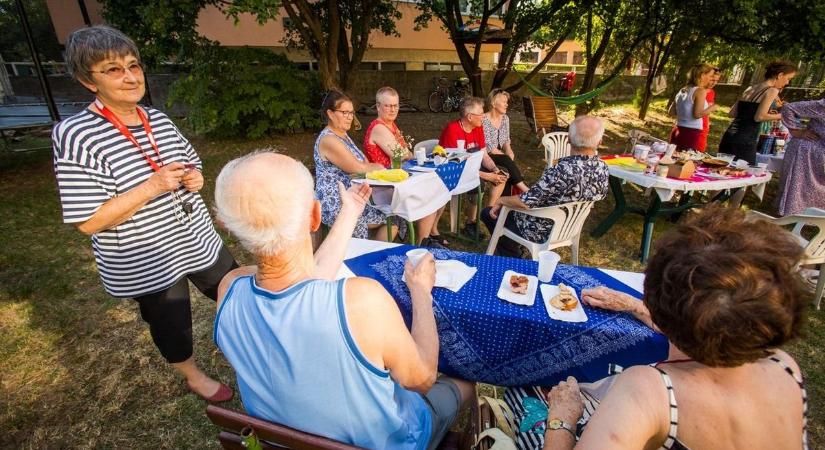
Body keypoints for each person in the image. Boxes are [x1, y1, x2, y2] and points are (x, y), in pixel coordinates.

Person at [213, 152, 474, 449]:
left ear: (228, 226)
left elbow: (307, 281)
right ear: (314, 217)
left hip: (282, 440)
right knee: (466, 381)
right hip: (390, 441)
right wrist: (421, 292)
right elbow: (422, 378)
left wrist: (350, 211)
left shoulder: (230, 289)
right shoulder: (361, 301)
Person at [51, 26, 238, 402]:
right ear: (88, 81)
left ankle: (248, 345)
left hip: (196, 238)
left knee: (234, 291)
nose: (131, 77)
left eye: (133, 65)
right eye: (113, 69)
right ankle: (192, 375)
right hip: (146, 253)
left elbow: (191, 163)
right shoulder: (75, 134)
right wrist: (152, 186)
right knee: (172, 322)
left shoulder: (158, 119)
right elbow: (89, 221)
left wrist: (195, 177)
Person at [541, 206, 809, 450]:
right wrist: (634, 306)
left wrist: (562, 420)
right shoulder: (785, 366)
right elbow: (706, 324)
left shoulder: (649, 389)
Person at [480, 116, 609, 258]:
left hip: (541, 230)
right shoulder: (602, 168)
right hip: (570, 227)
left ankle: (511, 255)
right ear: (600, 142)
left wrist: (501, 200)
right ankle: (514, 248)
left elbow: (526, 202)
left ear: (569, 140)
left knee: (488, 213)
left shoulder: (561, 170)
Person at [315, 89, 400, 241]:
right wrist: (380, 167)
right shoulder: (329, 139)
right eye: (344, 113)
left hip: (355, 196)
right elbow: (358, 167)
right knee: (387, 216)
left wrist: (369, 167)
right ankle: (363, 256)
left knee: (395, 216)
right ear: (330, 113)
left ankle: (373, 257)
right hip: (337, 202)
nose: (350, 118)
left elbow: (364, 163)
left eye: (351, 113)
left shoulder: (343, 135)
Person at [364, 87, 441, 247]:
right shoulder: (378, 127)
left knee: (433, 192)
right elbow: (400, 154)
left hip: (395, 179)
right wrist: (408, 154)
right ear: (378, 106)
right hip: (383, 186)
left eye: (395, 105)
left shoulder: (391, 125)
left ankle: (423, 241)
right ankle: (421, 243)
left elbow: (406, 152)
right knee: (428, 196)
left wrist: (408, 153)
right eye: (388, 105)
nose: (392, 109)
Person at [438, 96, 509, 238]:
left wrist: (494, 169)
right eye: (481, 114)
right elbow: (456, 164)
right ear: (470, 117)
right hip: (454, 171)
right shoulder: (453, 130)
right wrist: (487, 175)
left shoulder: (478, 127)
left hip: (473, 167)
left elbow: (484, 154)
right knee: (479, 183)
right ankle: (471, 223)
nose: (483, 117)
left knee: (502, 174)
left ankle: (488, 212)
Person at [719, 60, 797, 164]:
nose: (787, 82)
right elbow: (759, 117)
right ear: (780, 75)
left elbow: (732, 113)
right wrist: (782, 115)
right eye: (788, 79)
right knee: (744, 175)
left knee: (724, 170)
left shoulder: (751, 88)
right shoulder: (772, 90)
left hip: (729, 136)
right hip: (746, 140)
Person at [777, 97, 825, 216]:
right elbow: (788, 108)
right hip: (806, 151)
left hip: (819, 153)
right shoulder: (822, 106)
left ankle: (813, 217)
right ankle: (793, 216)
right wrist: (796, 131)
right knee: (799, 188)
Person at [482, 88, 530, 196]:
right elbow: (489, 147)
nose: (506, 105)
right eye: (504, 102)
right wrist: (506, 157)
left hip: (499, 156)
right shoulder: (483, 119)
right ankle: (524, 189)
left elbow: (506, 140)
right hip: (486, 156)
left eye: (506, 102)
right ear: (493, 103)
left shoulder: (505, 118)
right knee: (506, 161)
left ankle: (505, 203)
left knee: (506, 170)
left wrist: (509, 150)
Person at [668, 63, 718, 151]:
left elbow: (671, 112)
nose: (711, 79)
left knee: (671, 160)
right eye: (710, 76)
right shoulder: (700, 91)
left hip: (677, 130)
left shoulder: (683, 90)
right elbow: (697, 114)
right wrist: (712, 108)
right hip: (690, 133)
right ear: (702, 76)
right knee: (685, 163)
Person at [697, 66, 722, 152]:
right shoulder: (697, 91)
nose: (714, 83)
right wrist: (713, 107)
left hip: (704, 126)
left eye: (717, 81)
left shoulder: (711, 92)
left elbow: (707, 112)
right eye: (712, 80)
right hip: (694, 126)